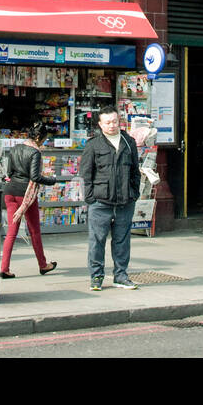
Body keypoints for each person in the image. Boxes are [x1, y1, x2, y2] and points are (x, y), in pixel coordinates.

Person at [80, 105, 141, 291]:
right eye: (107, 122)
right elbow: (86, 174)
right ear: (100, 124)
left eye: (115, 121)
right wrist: (90, 198)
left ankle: (121, 276)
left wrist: (134, 193)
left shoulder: (128, 142)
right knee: (97, 241)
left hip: (125, 201)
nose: (112, 125)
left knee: (122, 241)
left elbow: (135, 172)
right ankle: (96, 276)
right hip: (100, 201)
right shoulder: (93, 145)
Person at [0, 123, 59, 278]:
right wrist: (52, 180)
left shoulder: (16, 148)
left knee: (12, 231)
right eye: (44, 140)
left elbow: (9, 172)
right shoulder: (35, 152)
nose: (43, 143)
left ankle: (4, 268)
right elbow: (35, 177)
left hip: (10, 191)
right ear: (38, 137)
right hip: (26, 194)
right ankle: (43, 264)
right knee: (34, 230)